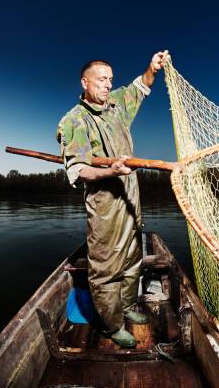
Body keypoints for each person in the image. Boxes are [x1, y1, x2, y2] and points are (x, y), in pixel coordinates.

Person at [56, 50, 170, 347]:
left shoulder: (116, 105)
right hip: (106, 205)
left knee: (133, 260)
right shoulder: (75, 120)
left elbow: (140, 87)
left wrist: (152, 68)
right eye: (101, 79)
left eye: (110, 80)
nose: (107, 85)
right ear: (84, 82)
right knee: (106, 268)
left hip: (131, 200)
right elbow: (80, 171)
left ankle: (128, 307)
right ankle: (112, 324)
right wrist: (111, 171)